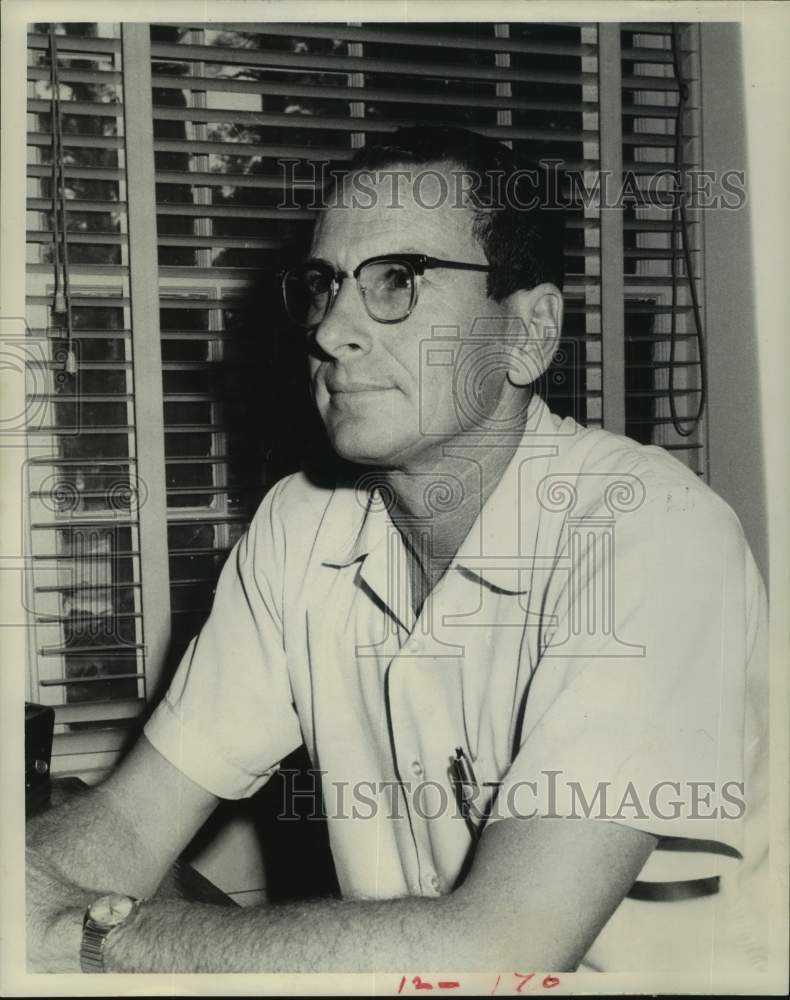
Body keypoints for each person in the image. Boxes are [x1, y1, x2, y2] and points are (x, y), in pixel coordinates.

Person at [26, 126, 769, 976]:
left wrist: (85, 937)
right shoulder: (300, 524)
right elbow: (129, 820)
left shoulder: (654, 532)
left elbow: (506, 949)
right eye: (322, 285)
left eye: (397, 281)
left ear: (528, 334)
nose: (330, 330)